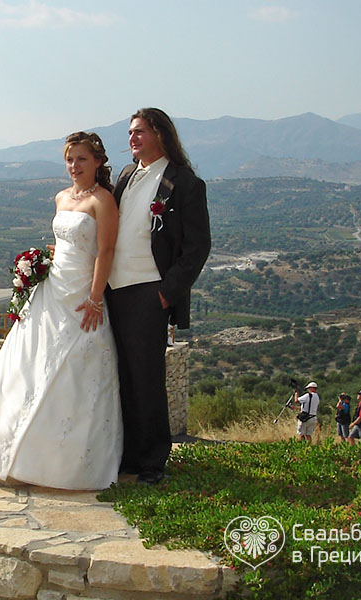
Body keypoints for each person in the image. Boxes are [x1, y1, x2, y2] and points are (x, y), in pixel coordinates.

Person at [0, 132, 122, 491]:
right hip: (51, 290)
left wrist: (94, 299)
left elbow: (105, 252)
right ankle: (8, 448)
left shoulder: (103, 201)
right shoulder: (62, 198)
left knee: (74, 369)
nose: (74, 166)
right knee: (27, 365)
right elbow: (68, 241)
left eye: (81, 159)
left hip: (80, 294)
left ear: (97, 162)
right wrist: (42, 260)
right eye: (69, 159)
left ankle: (58, 463)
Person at [107, 108, 211, 484]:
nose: (132, 138)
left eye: (139, 132)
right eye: (130, 132)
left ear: (161, 135)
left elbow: (197, 247)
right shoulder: (125, 176)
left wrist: (167, 294)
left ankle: (152, 461)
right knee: (122, 376)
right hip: (114, 291)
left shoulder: (184, 183)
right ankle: (129, 456)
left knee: (146, 378)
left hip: (150, 291)